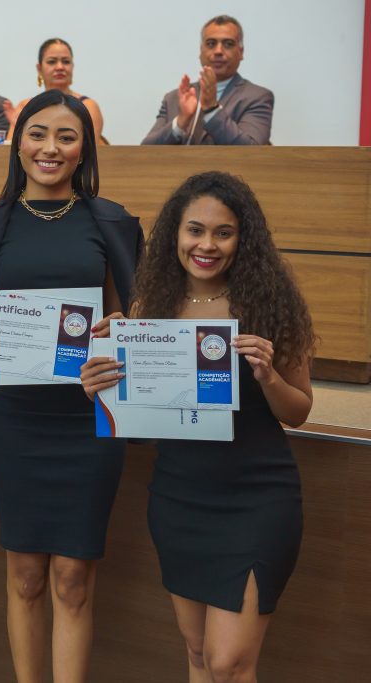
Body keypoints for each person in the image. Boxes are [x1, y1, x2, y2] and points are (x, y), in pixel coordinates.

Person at [81, 171, 315, 682]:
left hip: (257, 498)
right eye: (195, 231)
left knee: (229, 662)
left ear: (242, 239)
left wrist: (269, 376)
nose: (206, 245)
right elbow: (141, 425)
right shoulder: (151, 309)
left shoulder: (269, 306)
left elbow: (299, 410)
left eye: (223, 232)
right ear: (175, 236)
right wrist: (103, 388)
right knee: (197, 654)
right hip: (180, 495)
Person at [0, 90, 142, 683]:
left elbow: (138, 315)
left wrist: (130, 330)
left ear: (84, 147)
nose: (49, 148)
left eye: (65, 136)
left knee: (72, 579)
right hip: (19, 421)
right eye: (37, 134)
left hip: (88, 423)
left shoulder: (114, 223)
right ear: (17, 141)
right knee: (27, 575)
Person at [142, 15, 273, 145]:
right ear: (201, 51)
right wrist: (181, 122)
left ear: (241, 52)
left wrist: (212, 109)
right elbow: (145, 152)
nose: (218, 51)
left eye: (228, 44)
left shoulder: (257, 97)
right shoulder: (173, 98)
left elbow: (252, 150)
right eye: (211, 44)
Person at [4, 39, 105, 143]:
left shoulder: (88, 106)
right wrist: (19, 131)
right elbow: (9, 153)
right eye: (52, 61)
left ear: (72, 67)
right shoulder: (26, 105)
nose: (60, 67)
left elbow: (89, 151)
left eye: (66, 62)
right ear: (39, 69)